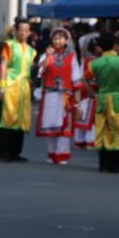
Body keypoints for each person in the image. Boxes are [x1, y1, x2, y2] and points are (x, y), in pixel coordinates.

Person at [84, 33, 119, 173]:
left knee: (104, 130)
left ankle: (105, 165)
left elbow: (84, 80)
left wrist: (93, 93)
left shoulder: (94, 63)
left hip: (102, 97)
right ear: (114, 45)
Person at [34, 28, 80, 165]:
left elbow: (76, 79)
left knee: (64, 124)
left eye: (60, 38)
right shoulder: (46, 56)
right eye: (55, 38)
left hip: (65, 96)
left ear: (66, 40)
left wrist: (77, 100)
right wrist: (48, 57)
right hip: (50, 95)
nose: (57, 41)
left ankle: (62, 154)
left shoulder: (72, 57)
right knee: (50, 124)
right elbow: (40, 73)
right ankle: (51, 153)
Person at [0, 18, 34, 163]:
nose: (23, 32)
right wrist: (2, 85)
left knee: (20, 120)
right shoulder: (9, 45)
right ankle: (2, 153)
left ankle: (15, 152)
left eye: (26, 30)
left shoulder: (31, 50)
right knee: (5, 119)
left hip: (24, 88)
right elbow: (4, 64)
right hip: (10, 85)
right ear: (16, 31)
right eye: (20, 30)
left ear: (29, 32)